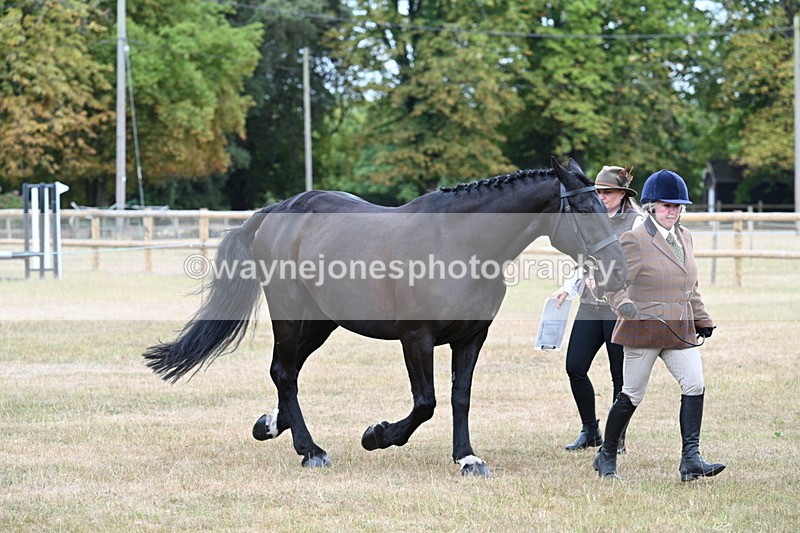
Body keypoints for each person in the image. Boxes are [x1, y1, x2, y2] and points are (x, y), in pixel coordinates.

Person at [592, 169, 725, 482]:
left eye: (678, 206)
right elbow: (613, 282)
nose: (674, 212)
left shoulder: (685, 237)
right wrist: (623, 304)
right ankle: (606, 454)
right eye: (668, 206)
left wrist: (701, 318)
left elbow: (689, 284)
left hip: (680, 329)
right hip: (644, 329)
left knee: (695, 385)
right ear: (651, 206)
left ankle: (691, 459)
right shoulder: (635, 240)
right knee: (632, 395)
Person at [553, 166, 643, 452]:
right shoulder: (592, 218)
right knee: (575, 367)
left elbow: (637, 264)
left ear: (622, 194)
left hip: (619, 309)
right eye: (599, 192)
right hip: (590, 306)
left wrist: (604, 279)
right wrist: (569, 286)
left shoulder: (637, 222)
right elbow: (585, 257)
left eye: (608, 192)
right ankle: (590, 430)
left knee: (620, 376)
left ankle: (617, 439)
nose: (602, 197)